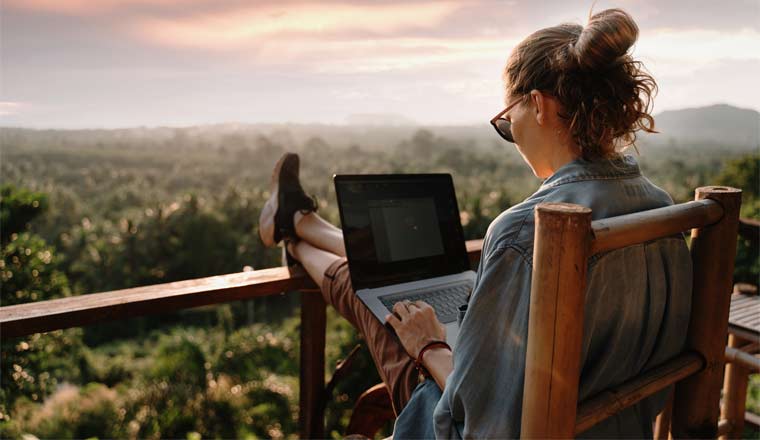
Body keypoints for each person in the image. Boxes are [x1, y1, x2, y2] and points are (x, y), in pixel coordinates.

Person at [258, 8, 691, 438]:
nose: (512, 134)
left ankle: (294, 234)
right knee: (392, 284)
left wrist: (429, 346)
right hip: (615, 428)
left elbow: (483, 423)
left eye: (507, 121)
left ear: (537, 105)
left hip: (493, 428)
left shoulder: (527, 231)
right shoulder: (661, 210)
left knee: (377, 293)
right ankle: (300, 225)